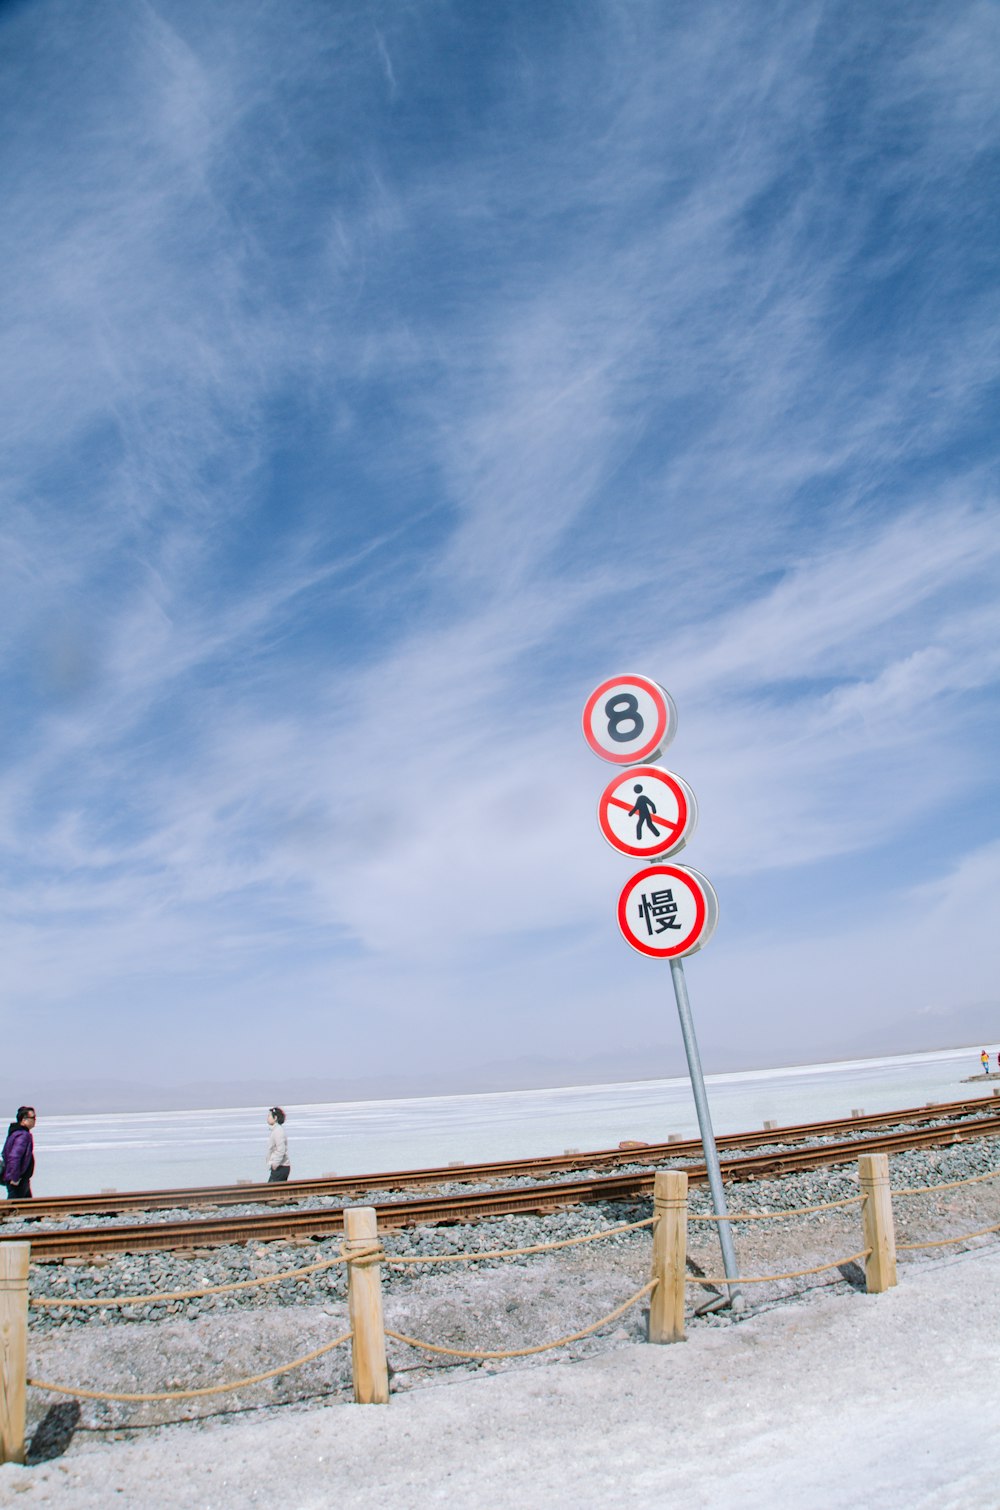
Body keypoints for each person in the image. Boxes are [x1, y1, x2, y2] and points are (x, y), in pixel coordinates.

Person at [2, 1107, 37, 1199]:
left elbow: (4, 1153)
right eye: (33, 1118)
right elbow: (14, 1157)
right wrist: (14, 1177)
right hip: (18, 1180)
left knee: (27, 1207)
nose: (35, 1120)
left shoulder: (16, 1133)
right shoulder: (22, 1135)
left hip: (21, 1179)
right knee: (13, 1209)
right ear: (24, 1120)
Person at [266, 1107, 290, 1182]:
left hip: (281, 1167)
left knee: (270, 1191)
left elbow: (281, 1150)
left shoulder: (278, 1131)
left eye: (269, 1116)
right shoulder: (275, 1130)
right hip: (279, 1167)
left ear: (275, 1118)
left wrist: (275, 1164)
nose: (267, 1118)